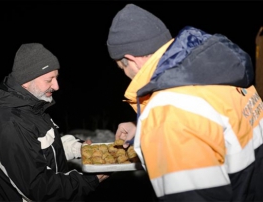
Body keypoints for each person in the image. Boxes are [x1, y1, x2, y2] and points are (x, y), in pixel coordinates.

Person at [106, 4, 263, 202]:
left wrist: (155, 126)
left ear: (131, 59)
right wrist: (143, 130)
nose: (126, 75)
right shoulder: (220, 75)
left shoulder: (168, 112)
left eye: (122, 68)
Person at [0, 43, 108, 201]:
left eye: (56, 77)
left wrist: (78, 149)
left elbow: (43, 149)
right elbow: (37, 188)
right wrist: (87, 180)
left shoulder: (31, 109)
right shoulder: (8, 124)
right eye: (49, 80)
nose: (56, 86)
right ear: (26, 80)